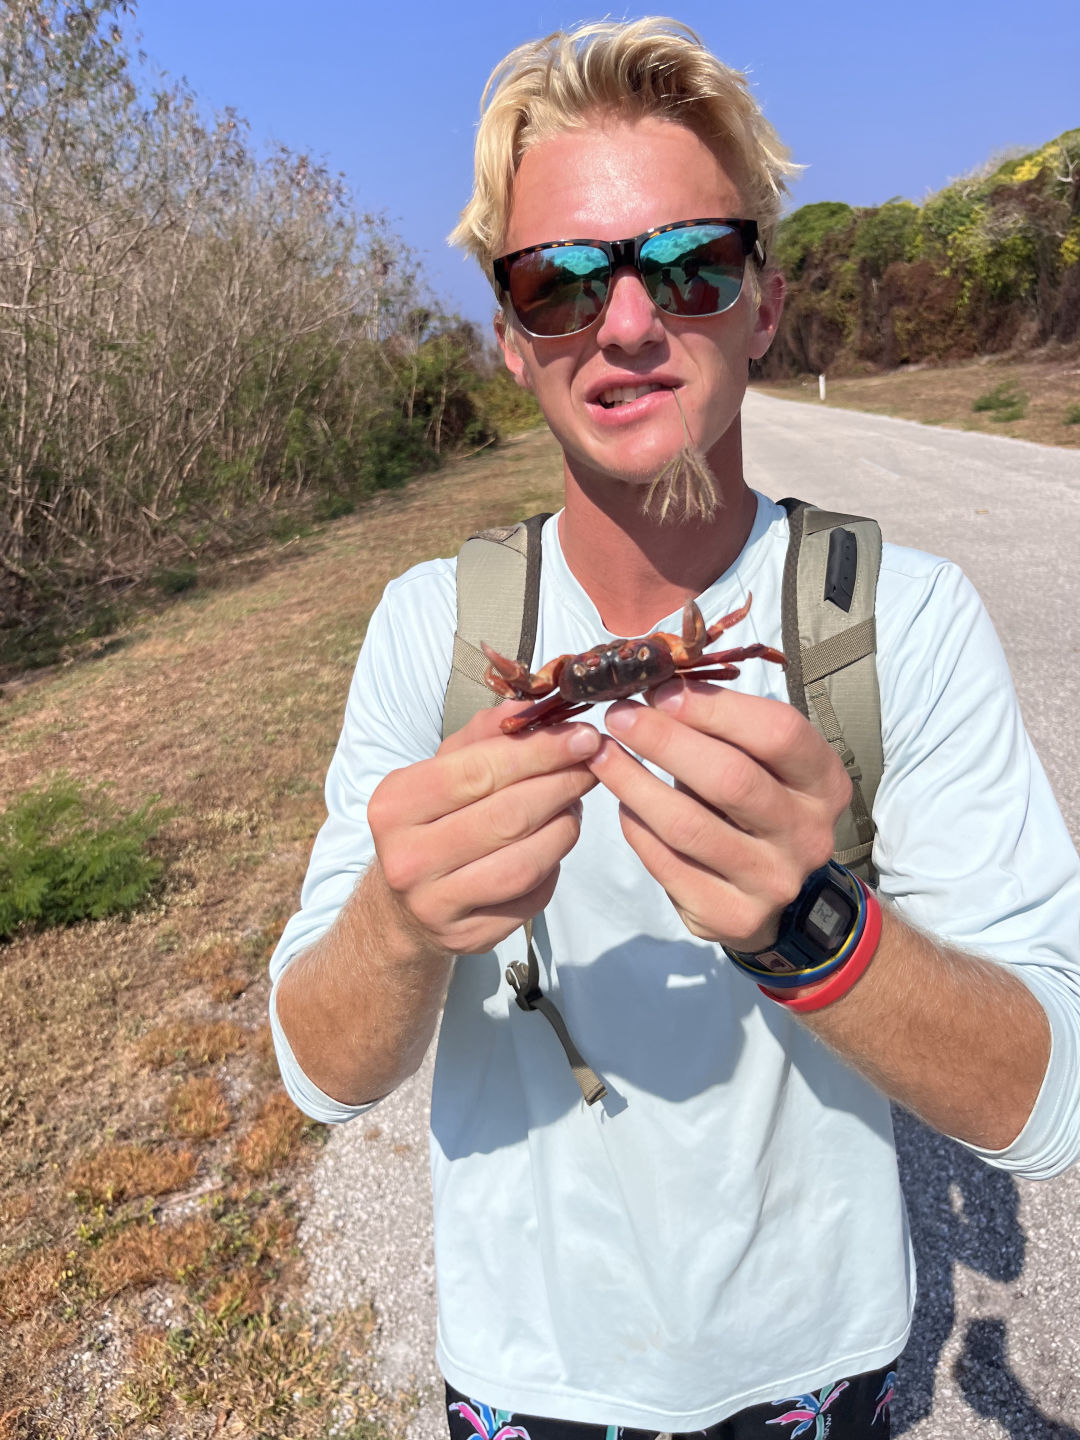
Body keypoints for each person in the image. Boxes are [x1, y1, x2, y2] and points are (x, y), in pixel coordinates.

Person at [269, 18, 1080, 1440]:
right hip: (526, 1371)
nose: (629, 323)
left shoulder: (899, 621)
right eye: (560, 282)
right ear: (511, 341)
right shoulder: (431, 632)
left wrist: (816, 925)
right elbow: (317, 1079)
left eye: (692, 263)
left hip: (817, 1356)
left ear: (764, 305)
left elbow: (1050, 1102)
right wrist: (399, 919)